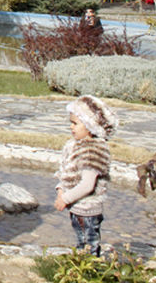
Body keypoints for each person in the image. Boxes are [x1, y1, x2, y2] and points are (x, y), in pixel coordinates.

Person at [55, 95, 117, 257]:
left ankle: (90, 269)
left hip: (88, 210)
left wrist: (65, 199)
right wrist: (61, 189)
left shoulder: (92, 151)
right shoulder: (75, 145)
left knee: (89, 243)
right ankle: (81, 266)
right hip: (77, 208)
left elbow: (87, 185)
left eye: (75, 123)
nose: (71, 127)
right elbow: (66, 171)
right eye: (71, 122)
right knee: (81, 239)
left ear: (90, 126)